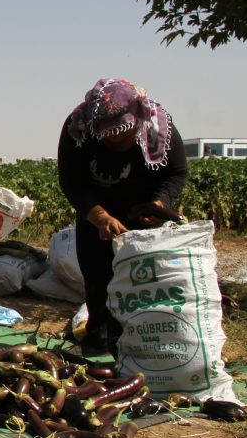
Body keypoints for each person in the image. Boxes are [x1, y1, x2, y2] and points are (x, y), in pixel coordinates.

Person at [57, 78, 188, 355]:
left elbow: (176, 173)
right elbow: (71, 182)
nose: (116, 140)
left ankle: (143, 342)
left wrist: (159, 204)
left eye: (123, 134)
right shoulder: (77, 129)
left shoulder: (158, 127)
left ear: (137, 123)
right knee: (97, 277)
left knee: (145, 280)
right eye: (109, 135)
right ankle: (98, 337)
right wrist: (99, 217)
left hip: (144, 213)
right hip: (96, 210)